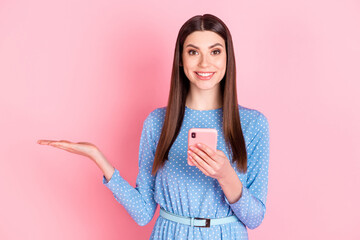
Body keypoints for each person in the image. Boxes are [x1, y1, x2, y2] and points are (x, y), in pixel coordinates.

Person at [38, 14, 270, 240]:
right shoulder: (157, 123)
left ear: (228, 57)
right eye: (193, 52)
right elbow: (143, 213)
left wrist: (226, 175)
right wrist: (97, 157)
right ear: (180, 59)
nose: (204, 63)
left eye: (215, 51)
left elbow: (255, 218)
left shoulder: (252, 124)